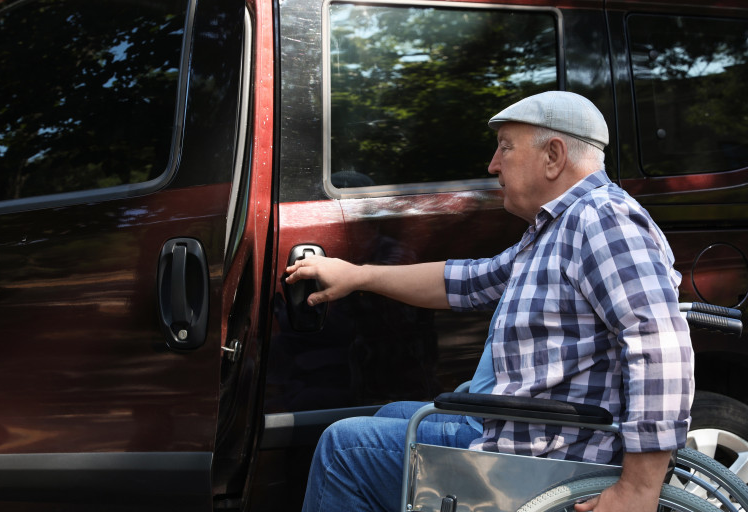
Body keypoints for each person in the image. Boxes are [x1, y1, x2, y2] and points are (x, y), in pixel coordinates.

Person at [286, 91, 694, 512]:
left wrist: (638, 490)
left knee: (344, 450)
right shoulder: (557, 228)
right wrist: (358, 275)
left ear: (553, 155)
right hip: (525, 431)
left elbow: (658, 342)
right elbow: (464, 281)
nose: (493, 164)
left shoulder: (602, 220)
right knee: (389, 414)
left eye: (505, 147)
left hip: (540, 459)